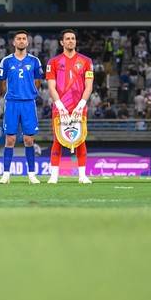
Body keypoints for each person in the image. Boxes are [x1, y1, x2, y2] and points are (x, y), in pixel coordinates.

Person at [46, 29, 94, 184]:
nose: (70, 41)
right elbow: (51, 87)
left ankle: (82, 176)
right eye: (67, 38)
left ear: (76, 41)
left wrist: (81, 105)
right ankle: (54, 176)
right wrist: (60, 106)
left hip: (79, 107)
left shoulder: (86, 61)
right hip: (60, 108)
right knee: (57, 140)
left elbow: (89, 86)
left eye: (73, 38)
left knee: (80, 140)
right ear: (62, 42)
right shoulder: (53, 62)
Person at [0, 31, 43, 185]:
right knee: (10, 139)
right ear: (14, 42)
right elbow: (2, 82)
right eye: (18, 39)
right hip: (12, 103)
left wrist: (30, 92)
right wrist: (11, 93)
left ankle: (31, 174)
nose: (21, 41)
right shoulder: (6, 61)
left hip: (28, 103)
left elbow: (38, 80)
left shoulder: (34, 61)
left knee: (29, 140)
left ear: (27, 42)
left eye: (24, 39)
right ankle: (6, 174)